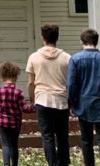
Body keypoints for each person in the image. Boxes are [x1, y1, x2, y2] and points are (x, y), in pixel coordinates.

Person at [67, 28, 100, 166]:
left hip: (84, 104)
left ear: (81, 41)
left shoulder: (75, 59)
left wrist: (71, 102)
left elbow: (71, 84)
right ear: (96, 41)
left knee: (86, 140)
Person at [27, 23, 71, 165]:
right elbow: (70, 81)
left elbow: (31, 83)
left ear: (43, 38)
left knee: (47, 136)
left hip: (42, 99)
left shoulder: (34, 57)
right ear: (57, 38)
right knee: (63, 135)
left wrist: (32, 99)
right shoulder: (67, 58)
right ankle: (63, 162)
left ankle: (52, 163)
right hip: (61, 100)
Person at [0, 61, 35, 166]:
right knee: (14, 144)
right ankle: (15, 164)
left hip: (2, 122)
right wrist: (34, 108)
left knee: (5, 144)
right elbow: (25, 108)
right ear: (16, 76)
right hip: (15, 123)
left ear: (2, 76)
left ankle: (6, 164)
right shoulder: (18, 92)